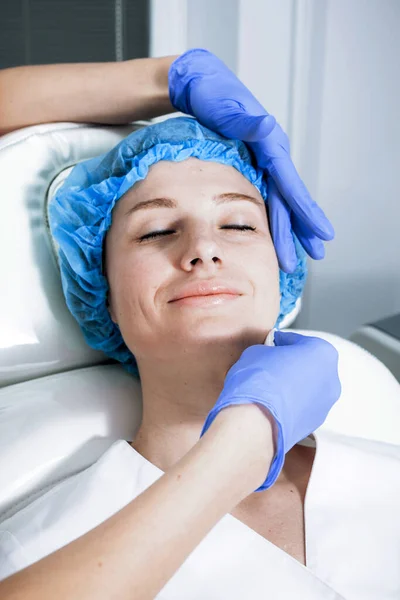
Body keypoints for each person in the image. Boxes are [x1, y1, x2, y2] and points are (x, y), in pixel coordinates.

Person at [0, 116, 399, 600]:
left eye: (238, 223)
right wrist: (244, 442)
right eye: (156, 231)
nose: (204, 249)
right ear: (103, 292)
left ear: (282, 271)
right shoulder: (37, 554)